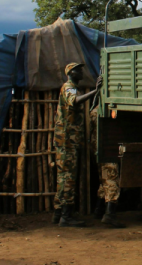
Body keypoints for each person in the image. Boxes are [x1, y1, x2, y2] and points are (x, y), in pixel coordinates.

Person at [52, 63, 102, 228]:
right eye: (78, 70)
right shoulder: (69, 88)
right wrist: (95, 91)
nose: (81, 72)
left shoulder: (71, 87)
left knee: (63, 177)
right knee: (68, 177)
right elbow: (74, 102)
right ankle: (66, 216)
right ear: (70, 73)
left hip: (67, 140)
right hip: (67, 140)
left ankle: (59, 213)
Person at [89, 107, 124, 228]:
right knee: (111, 179)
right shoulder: (109, 110)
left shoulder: (95, 110)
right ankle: (110, 214)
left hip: (98, 149)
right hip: (107, 148)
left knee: (104, 180)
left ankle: (99, 210)